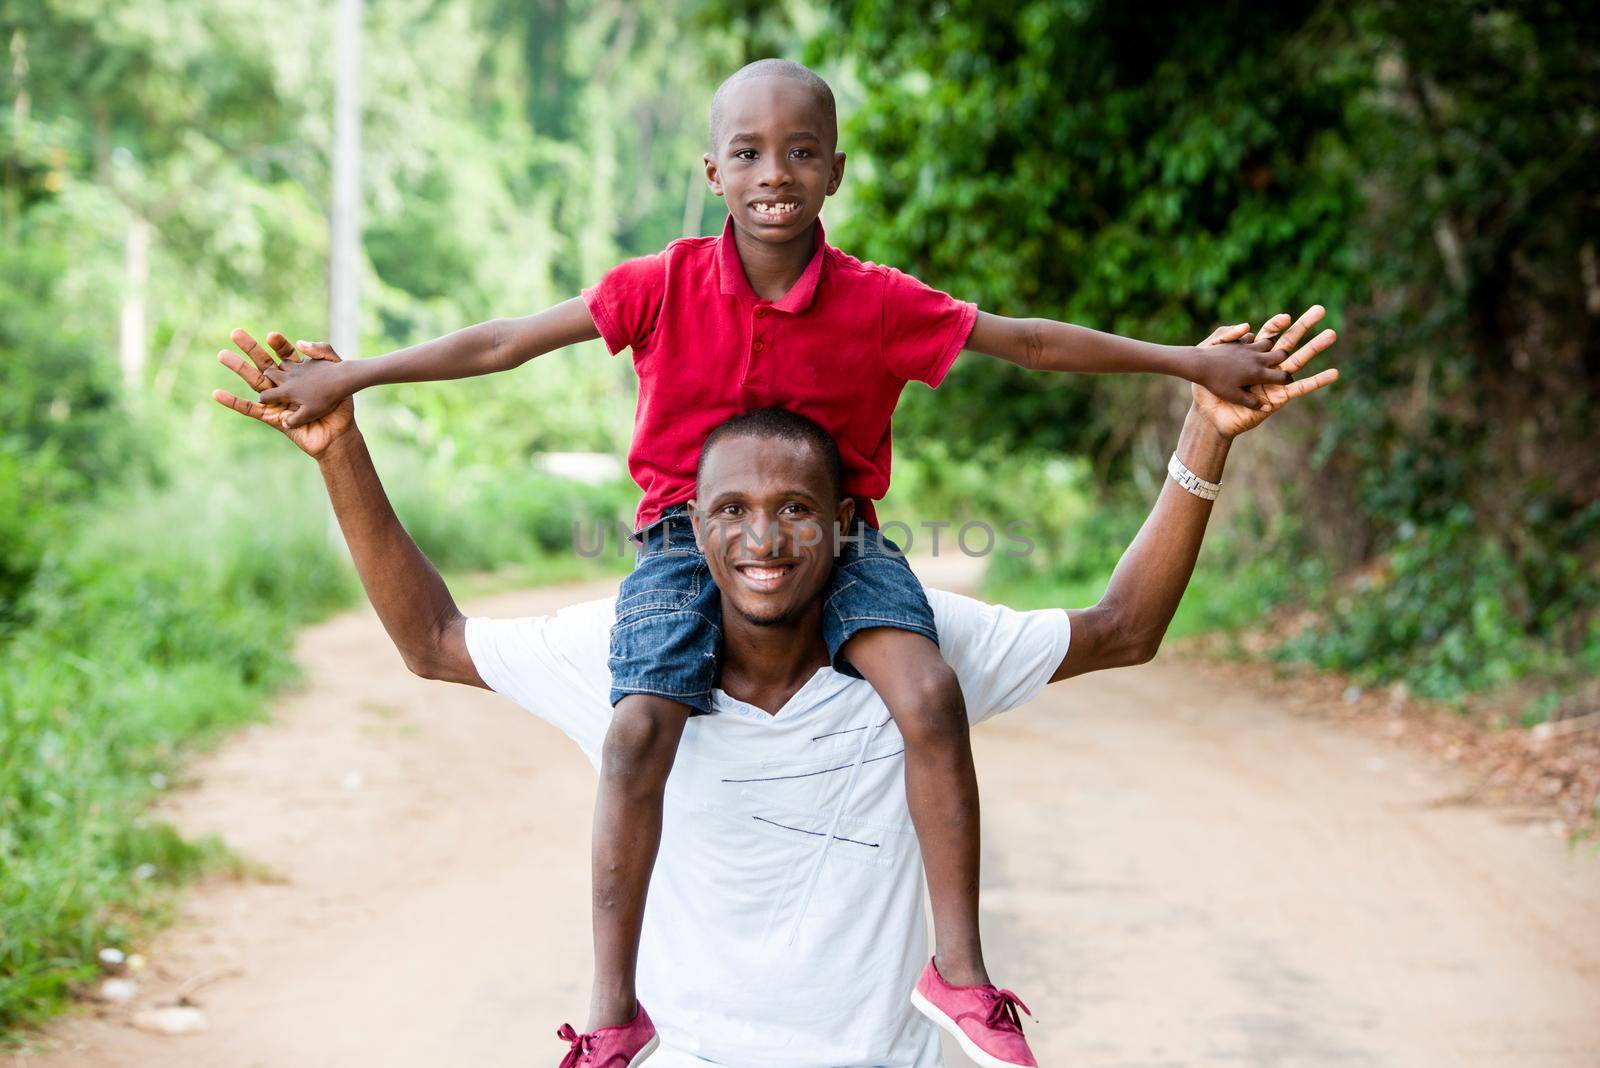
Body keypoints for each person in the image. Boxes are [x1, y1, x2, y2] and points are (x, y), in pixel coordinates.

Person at [239, 56, 1311, 1067]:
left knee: (928, 691)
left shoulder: (882, 301)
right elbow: (502, 342)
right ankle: (613, 1013)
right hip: (674, 543)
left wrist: (1190, 368)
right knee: (637, 728)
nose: (774, 174)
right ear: (711, 171)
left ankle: (960, 972)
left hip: (842, 542)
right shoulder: (659, 286)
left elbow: (1029, 343)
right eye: (746, 152)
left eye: (802, 151)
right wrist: (356, 381)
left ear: (836, 171)